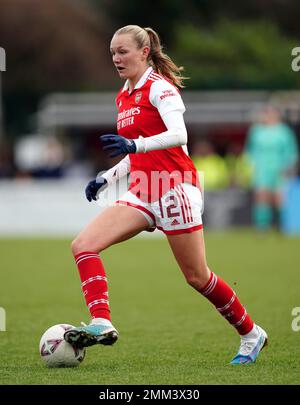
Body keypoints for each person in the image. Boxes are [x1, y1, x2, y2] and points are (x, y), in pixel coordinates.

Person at [64, 25, 268, 365]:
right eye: (113, 52)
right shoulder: (124, 95)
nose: (116, 58)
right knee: (83, 245)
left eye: (123, 51)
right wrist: (106, 177)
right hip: (144, 188)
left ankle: (251, 334)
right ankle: (101, 321)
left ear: (144, 52)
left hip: (174, 186)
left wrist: (134, 144)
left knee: (197, 276)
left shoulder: (161, 89)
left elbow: (178, 134)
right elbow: (136, 152)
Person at [245, 105, 299, 230]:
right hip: (261, 169)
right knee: (262, 196)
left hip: (279, 169)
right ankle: (261, 227)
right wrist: (251, 166)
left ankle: (282, 226)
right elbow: (250, 151)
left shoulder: (284, 132)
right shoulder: (256, 131)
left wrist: (287, 167)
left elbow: (292, 152)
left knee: (279, 198)